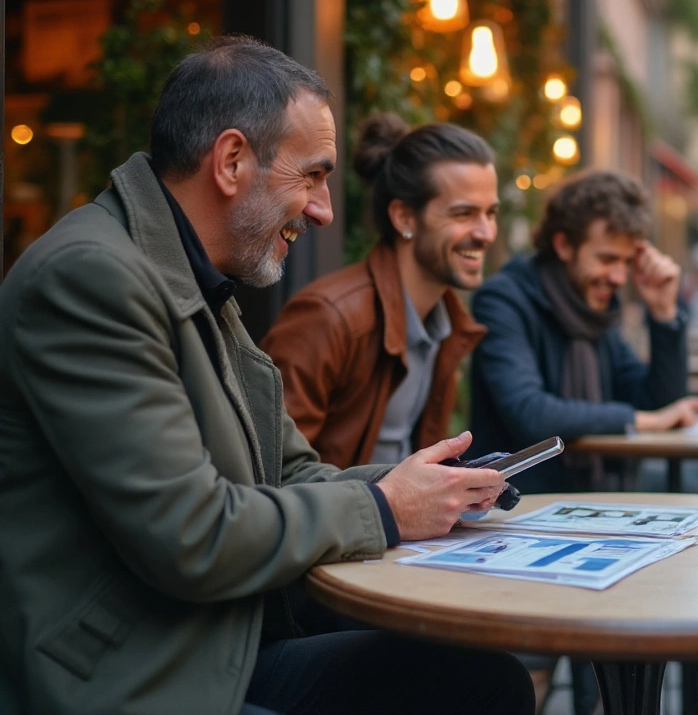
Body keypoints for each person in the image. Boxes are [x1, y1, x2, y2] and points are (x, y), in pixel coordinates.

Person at [0, 37, 534, 715]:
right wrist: (385, 509)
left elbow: (290, 476)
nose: (324, 211)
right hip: (129, 678)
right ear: (230, 161)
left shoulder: (190, 280)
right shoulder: (90, 278)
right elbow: (191, 537)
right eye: (312, 176)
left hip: (211, 639)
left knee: (481, 681)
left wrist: (433, 491)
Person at [261, 115, 495, 469]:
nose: (485, 233)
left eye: (491, 213)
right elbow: (269, 471)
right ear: (403, 218)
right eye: (463, 214)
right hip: (344, 522)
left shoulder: (446, 326)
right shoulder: (329, 316)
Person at [468, 169, 698, 494]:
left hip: (591, 499)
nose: (620, 277)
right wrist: (642, 421)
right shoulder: (503, 299)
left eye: (626, 261)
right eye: (607, 259)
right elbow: (530, 412)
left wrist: (664, 313)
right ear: (565, 244)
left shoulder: (594, 311)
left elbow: (659, 402)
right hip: (515, 507)